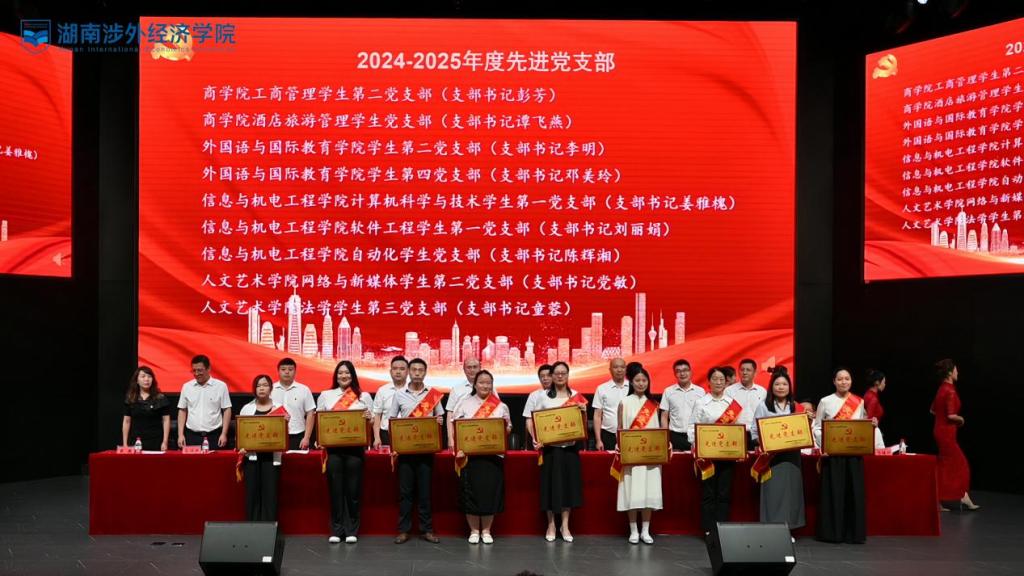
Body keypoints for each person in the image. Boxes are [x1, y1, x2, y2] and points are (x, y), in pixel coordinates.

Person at [812, 367, 875, 544]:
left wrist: (870, 426)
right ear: (834, 381)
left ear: (851, 381)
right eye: (840, 379)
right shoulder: (825, 401)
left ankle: (852, 533)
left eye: (847, 378)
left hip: (853, 454)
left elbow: (860, 426)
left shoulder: (859, 401)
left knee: (852, 492)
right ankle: (833, 533)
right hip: (833, 454)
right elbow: (817, 427)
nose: (843, 382)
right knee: (834, 492)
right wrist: (826, 444)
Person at [388, 358, 445, 544]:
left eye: (421, 370)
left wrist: (439, 422)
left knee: (425, 493)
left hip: (426, 450)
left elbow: (440, 419)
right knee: (405, 493)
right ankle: (403, 530)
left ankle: (427, 530)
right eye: (414, 370)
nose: (417, 373)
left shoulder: (433, 395)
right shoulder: (399, 395)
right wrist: (395, 446)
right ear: (409, 372)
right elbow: (391, 421)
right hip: (405, 452)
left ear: (425, 373)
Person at [451, 370, 512, 544]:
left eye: (488, 383)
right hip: (470, 457)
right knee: (471, 493)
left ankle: (486, 530)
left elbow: (508, 428)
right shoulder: (464, 403)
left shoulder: (500, 406)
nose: (485, 385)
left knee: (489, 493)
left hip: (492, 457)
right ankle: (473, 530)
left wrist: (504, 430)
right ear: (475, 384)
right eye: (481, 382)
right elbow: (456, 427)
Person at [529, 361, 587, 542]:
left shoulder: (576, 396)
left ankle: (565, 525)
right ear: (552, 376)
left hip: (570, 449)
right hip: (550, 450)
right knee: (550, 487)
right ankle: (551, 524)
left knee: (568, 487)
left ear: (568, 375)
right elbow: (533, 420)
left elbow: (582, 426)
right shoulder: (543, 397)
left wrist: (584, 412)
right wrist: (535, 438)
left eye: (564, 373)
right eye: (557, 373)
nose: (560, 376)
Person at [317, 360, 374, 543]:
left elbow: (372, 422)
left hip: (355, 450)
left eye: (347, 373)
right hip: (333, 451)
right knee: (335, 490)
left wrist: (370, 418)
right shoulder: (326, 395)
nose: (344, 376)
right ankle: (336, 530)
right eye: (340, 373)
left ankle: (351, 531)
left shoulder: (363, 396)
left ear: (353, 375)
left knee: (353, 491)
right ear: (336, 376)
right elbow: (320, 421)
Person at [689, 366, 742, 536]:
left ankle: (722, 529)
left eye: (721, 380)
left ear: (726, 382)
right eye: (715, 379)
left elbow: (737, 429)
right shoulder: (701, 403)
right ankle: (709, 530)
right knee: (708, 493)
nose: (718, 382)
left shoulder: (732, 404)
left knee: (724, 493)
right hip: (707, 456)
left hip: (727, 455)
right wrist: (697, 447)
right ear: (709, 382)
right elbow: (692, 428)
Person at [750, 367, 805, 530]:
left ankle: (789, 530)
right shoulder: (764, 406)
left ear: (789, 387)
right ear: (771, 387)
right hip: (772, 457)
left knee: (791, 494)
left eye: (784, 384)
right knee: (772, 493)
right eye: (777, 384)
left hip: (792, 457)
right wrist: (763, 442)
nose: (781, 387)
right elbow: (754, 430)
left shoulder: (796, 407)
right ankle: (772, 530)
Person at [616, 367, 664, 544]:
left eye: (644, 380)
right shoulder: (624, 402)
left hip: (650, 455)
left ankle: (645, 530)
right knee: (632, 490)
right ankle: (633, 531)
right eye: (637, 380)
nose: (641, 383)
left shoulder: (654, 404)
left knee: (649, 490)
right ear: (631, 382)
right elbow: (620, 428)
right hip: (632, 455)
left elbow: (659, 430)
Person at [238, 374, 288, 522]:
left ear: (271, 388)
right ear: (254, 389)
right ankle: (252, 527)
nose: (261, 388)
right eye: (258, 385)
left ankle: (270, 528)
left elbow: (285, 435)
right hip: (251, 457)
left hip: (271, 457)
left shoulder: (279, 408)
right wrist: (241, 446)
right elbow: (241, 433)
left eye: (265, 385)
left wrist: (285, 423)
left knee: (270, 493)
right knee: (252, 493)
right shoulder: (247, 408)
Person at [931, 359, 979, 511]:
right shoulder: (950, 390)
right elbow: (951, 415)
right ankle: (962, 496)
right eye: (956, 370)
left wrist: (944, 419)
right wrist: (961, 419)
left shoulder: (941, 388)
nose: (958, 372)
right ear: (950, 372)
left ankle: (942, 499)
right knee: (962, 465)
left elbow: (932, 410)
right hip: (946, 434)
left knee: (945, 466)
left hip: (940, 431)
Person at [177, 354, 232, 449]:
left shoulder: (221, 386)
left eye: (200, 370)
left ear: (208, 369)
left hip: (214, 436)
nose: (196, 373)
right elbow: (182, 410)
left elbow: (227, 410)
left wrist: (224, 434)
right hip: (192, 436)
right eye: (194, 370)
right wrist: (180, 435)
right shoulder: (187, 387)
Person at [659, 359, 705, 451]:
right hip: (675, 436)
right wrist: (666, 438)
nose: (682, 374)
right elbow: (664, 416)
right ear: (674, 374)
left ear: (690, 372)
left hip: (695, 436)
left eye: (685, 370)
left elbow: (703, 416)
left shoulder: (700, 391)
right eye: (678, 371)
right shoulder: (668, 391)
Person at [270, 358, 316, 450]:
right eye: (283, 369)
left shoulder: (304, 390)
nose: (287, 372)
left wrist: (306, 438)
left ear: (295, 372)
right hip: (275, 435)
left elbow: (311, 414)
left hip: (298, 435)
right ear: (278, 371)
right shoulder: (270, 389)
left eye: (290, 369)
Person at [122, 366, 170, 451]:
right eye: (143, 376)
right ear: (137, 380)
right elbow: (126, 421)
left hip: (156, 441)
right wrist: (125, 443)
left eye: (149, 376)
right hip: (136, 441)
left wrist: (165, 441)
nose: (147, 379)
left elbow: (166, 420)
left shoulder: (160, 398)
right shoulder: (131, 398)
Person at [725, 358, 767, 448]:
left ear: (755, 373)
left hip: (756, 435)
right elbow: (726, 416)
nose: (744, 372)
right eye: (742, 370)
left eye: (748, 370)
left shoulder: (762, 391)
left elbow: (765, 415)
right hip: (735, 434)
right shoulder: (729, 391)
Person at [372, 356, 408, 449]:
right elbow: (377, 416)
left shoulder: (413, 391)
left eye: (402, 369)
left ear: (408, 372)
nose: (398, 372)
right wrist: (377, 438)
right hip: (386, 435)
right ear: (390, 372)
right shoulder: (382, 390)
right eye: (395, 369)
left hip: (409, 434)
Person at [593, 358, 628, 450]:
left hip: (630, 434)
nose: (619, 370)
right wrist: (598, 440)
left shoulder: (633, 387)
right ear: (610, 370)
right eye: (615, 367)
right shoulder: (602, 388)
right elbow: (597, 416)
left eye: (622, 367)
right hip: (608, 434)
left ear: (626, 369)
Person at [447, 357, 482, 448]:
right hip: (462, 435)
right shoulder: (456, 389)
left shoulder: (490, 388)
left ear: (480, 368)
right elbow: (450, 414)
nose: (472, 370)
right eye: (469, 367)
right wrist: (450, 438)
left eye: (475, 367)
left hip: (483, 434)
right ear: (464, 370)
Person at [523, 364, 553, 449]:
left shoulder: (562, 394)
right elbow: (529, 419)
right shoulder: (533, 395)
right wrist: (535, 437)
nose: (545, 378)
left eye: (548, 375)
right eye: (542, 376)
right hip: (540, 439)